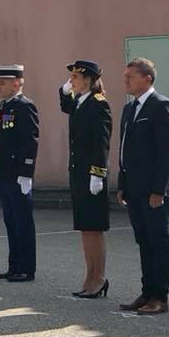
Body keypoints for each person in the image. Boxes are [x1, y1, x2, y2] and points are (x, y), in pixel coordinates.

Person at [116, 58, 169, 315]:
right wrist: (122, 184)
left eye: (131, 76)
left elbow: (167, 153)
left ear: (147, 79)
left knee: (158, 240)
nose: (126, 80)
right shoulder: (130, 109)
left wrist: (159, 190)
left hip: (153, 189)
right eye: (126, 75)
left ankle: (160, 296)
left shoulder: (160, 106)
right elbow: (124, 151)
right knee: (143, 240)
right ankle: (146, 291)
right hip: (133, 187)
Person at [0, 65, 39, 282]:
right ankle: (14, 266)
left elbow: (30, 141)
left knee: (23, 222)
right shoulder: (6, 105)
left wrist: (26, 173)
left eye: (3, 82)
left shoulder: (25, 106)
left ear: (17, 83)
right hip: (3, 172)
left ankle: (26, 268)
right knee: (11, 220)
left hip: (16, 174)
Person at [60, 60, 112, 299]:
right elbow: (66, 105)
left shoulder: (97, 104)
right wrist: (63, 92)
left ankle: (98, 278)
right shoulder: (81, 103)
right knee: (85, 227)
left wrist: (97, 174)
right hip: (79, 172)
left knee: (94, 228)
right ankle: (89, 277)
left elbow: (101, 142)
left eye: (75, 77)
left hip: (91, 174)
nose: (71, 80)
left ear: (88, 80)